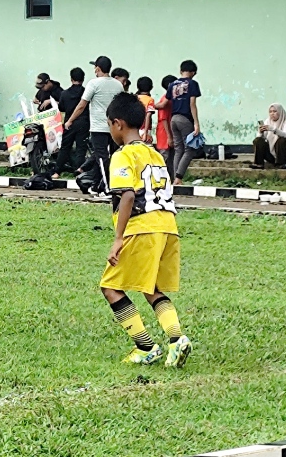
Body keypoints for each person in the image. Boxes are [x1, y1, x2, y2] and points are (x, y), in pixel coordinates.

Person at [99, 92, 191, 367]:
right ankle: (176, 339)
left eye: (109, 125)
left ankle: (146, 347)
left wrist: (118, 238)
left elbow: (127, 195)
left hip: (142, 228)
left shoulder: (123, 155)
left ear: (117, 123)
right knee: (151, 288)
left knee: (110, 287)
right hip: (167, 226)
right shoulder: (155, 154)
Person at [64, 56, 124, 191]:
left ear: (97, 69)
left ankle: (107, 188)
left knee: (101, 158)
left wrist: (70, 120)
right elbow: (121, 105)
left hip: (99, 127)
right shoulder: (118, 85)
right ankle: (96, 186)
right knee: (108, 157)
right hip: (114, 127)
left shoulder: (93, 84)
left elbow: (81, 105)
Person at [168, 60, 202, 186]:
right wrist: (196, 123)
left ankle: (175, 179)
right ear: (193, 72)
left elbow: (168, 100)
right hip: (185, 119)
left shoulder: (172, 85)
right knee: (190, 149)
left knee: (178, 150)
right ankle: (178, 177)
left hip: (173, 119)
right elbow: (192, 104)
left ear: (181, 71)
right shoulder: (192, 84)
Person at [53, 68, 89, 177]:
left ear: (71, 79)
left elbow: (61, 108)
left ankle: (57, 172)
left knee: (65, 147)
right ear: (83, 79)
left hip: (69, 123)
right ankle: (79, 172)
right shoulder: (86, 93)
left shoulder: (64, 94)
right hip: (83, 123)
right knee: (81, 149)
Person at [251, 104, 286, 169]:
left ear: (280, 112)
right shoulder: (267, 121)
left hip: (285, 154)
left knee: (281, 140)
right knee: (258, 140)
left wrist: (273, 129)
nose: (272, 113)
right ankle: (258, 163)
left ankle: (281, 164)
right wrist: (260, 132)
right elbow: (261, 139)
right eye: (270, 112)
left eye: (274, 111)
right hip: (271, 154)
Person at [154, 75, 176, 173]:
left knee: (171, 160)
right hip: (164, 133)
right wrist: (169, 137)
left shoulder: (171, 99)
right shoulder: (165, 99)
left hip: (169, 132)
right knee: (164, 158)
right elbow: (163, 119)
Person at [135, 77, 155, 145]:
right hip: (144, 129)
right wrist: (146, 133)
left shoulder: (134, 98)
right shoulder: (150, 100)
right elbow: (148, 115)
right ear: (151, 87)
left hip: (134, 129)